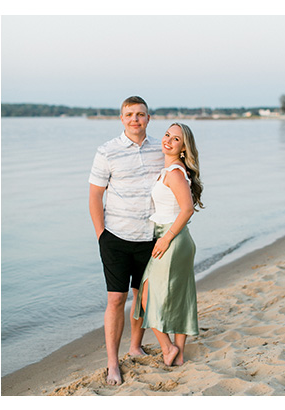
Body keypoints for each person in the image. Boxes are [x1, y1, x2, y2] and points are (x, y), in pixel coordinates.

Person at [88, 96, 164, 385]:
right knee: (116, 298)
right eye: (130, 114)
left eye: (140, 114)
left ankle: (135, 346)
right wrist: (101, 235)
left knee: (141, 298)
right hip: (116, 237)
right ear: (122, 119)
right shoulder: (107, 151)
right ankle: (112, 363)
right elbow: (95, 195)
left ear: (148, 118)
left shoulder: (161, 148)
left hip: (150, 238)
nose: (135, 119)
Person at [133, 123, 203, 366]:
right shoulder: (170, 170)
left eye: (175, 139)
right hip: (172, 237)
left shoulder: (174, 172)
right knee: (177, 295)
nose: (168, 141)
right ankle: (178, 353)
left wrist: (165, 238)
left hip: (173, 238)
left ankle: (168, 348)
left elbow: (186, 210)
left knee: (148, 293)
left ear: (183, 148)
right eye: (167, 135)